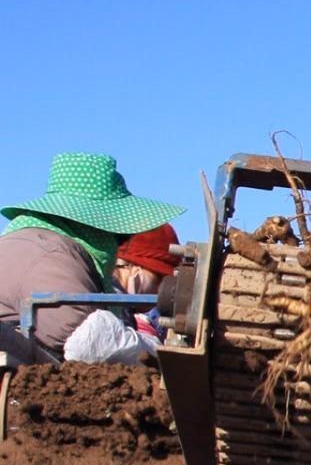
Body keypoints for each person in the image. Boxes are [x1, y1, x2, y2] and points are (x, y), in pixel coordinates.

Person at [0, 153, 183, 362]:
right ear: (95, 223)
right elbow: (89, 342)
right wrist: (159, 352)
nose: (117, 241)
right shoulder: (52, 257)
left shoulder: (33, 242)